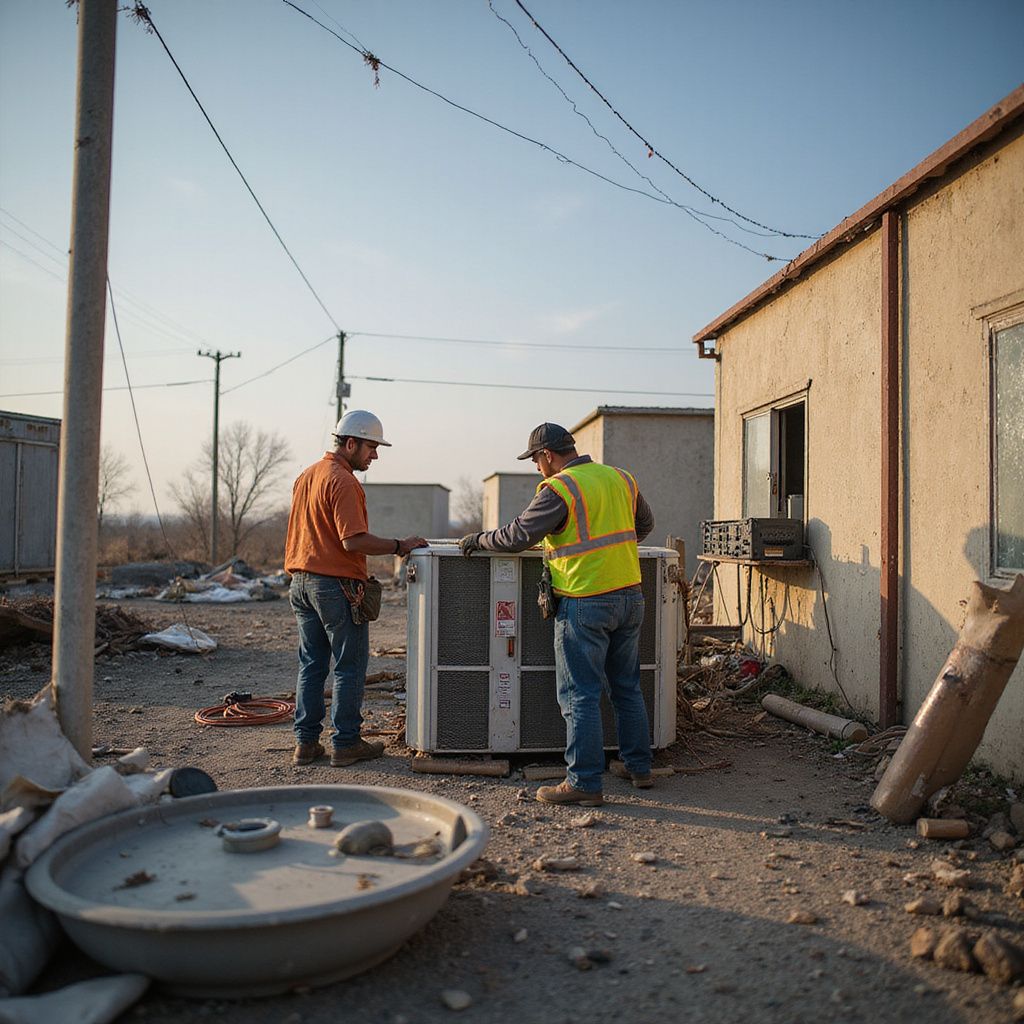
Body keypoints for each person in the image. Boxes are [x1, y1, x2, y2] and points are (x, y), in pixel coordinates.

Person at [459, 422, 655, 806]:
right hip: (631, 596)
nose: (535, 467)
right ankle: (639, 768)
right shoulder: (620, 478)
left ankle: (583, 781)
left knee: (579, 694)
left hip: (585, 601)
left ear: (548, 455)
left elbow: (517, 536)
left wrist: (477, 540)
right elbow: (643, 525)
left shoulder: (560, 488)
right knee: (627, 687)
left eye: (535, 459)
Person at [284, 410, 427, 767]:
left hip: (301, 582)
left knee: (312, 664)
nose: (374, 456)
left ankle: (305, 743)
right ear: (351, 443)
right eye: (371, 448)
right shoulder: (344, 481)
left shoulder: (307, 476)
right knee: (349, 666)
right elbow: (352, 540)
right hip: (334, 586)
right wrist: (399, 545)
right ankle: (346, 743)